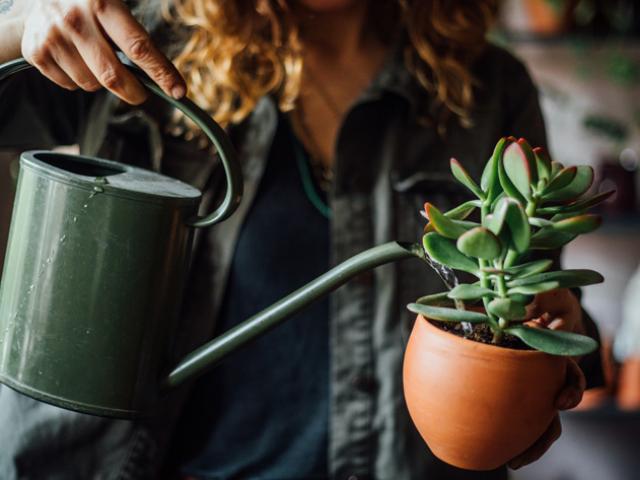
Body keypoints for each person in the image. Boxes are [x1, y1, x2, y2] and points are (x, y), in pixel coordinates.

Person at [0, 0, 604, 478]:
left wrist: (552, 333)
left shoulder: (487, 87)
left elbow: (538, 299)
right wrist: (25, 20)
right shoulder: (137, 41)